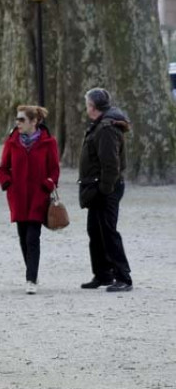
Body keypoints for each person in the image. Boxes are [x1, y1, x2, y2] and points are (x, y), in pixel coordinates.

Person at [0, 105, 60, 295]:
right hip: (17, 197)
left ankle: (31, 278)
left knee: (33, 237)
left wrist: (48, 184)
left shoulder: (49, 142)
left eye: (22, 120)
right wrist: (7, 183)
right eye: (17, 119)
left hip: (38, 196)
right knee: (23, 237)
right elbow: (3, 168)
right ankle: (31, 271)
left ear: (34, 122)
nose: (18, 123)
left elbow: (54, 169)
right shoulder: (12, 141)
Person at [79, 88, 133, 292]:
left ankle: (123, 277)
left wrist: (104, 189)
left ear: (92, 107)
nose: (86, 108)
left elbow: (111, 164)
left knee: (108, 232)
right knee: (95, 230)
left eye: (87, 104)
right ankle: (102, 274)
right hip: (97, 187)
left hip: (105, 188)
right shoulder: (101, 125)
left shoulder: (106, 128)